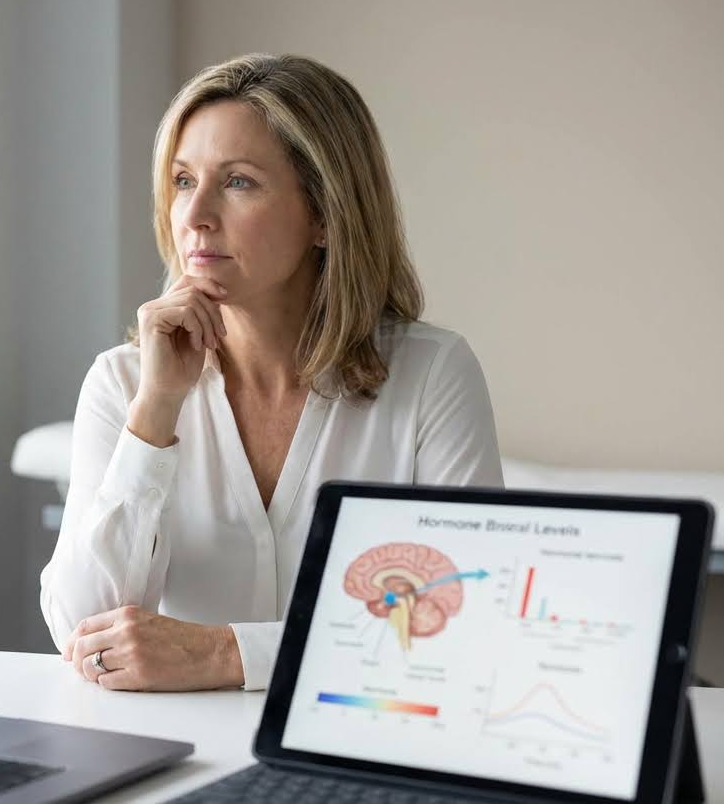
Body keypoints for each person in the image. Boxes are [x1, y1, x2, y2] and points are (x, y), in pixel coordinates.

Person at [39, 53, 504, 693]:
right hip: (172, 744)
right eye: (182, 181)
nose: (195, 215)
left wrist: (225, 655)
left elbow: (465, 620)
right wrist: (155, 413)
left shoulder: (431, 376)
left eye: (238, 182)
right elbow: (81, 633)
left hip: (357, 735)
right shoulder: (123, 384)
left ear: (325, 214)